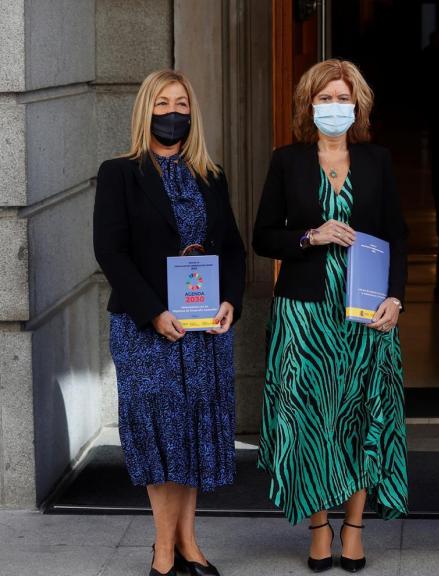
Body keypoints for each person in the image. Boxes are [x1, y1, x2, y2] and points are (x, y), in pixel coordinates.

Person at [253, 59, 408, 573]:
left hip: (365, 311)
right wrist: (309, 236)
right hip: (304, 313)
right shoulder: (287, 160)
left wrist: (396, 298)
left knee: (361, 415)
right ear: (308, 105)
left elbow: (398, 236)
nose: (334, 108)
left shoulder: (378, 160)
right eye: (325, 99)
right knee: (310, 418)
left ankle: (355, 530)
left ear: (358, 105)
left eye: (343, 99)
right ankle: (319, 529)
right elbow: (262, 237)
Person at [94, 69, 246, 576]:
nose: (172, 112)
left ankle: (188, 543)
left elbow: (233, 251)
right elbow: (110, 253)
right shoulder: (119, 173)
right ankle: (163, 550)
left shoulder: (211, 174)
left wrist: (231, 302)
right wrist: (154, 312)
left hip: (204, 328)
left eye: (181, 102)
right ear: (145, 110)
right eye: (162, 103)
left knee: (193, 433)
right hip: (145, 330)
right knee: (159, 434)